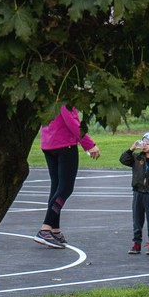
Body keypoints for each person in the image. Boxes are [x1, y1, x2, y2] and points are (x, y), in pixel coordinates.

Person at [35, 103, 99, 247]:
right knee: (66, 188)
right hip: (64, 144)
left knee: (57, 187)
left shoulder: (49, 95)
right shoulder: (65, 98)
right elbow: (72, 122)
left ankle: (54, 229)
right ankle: (45, 228)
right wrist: (89, 144)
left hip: (48, 143)